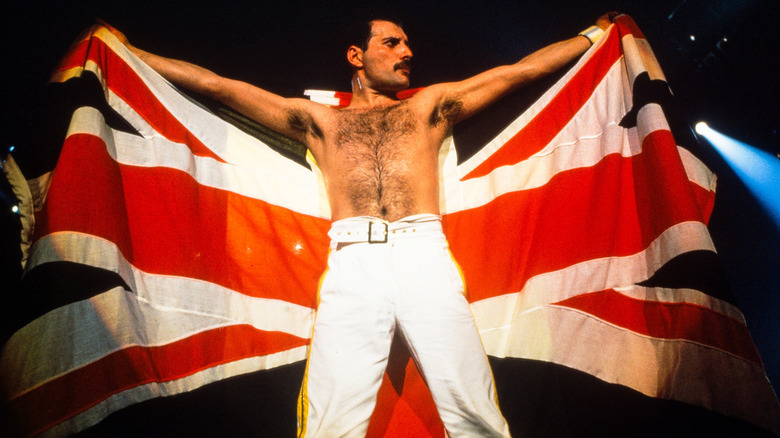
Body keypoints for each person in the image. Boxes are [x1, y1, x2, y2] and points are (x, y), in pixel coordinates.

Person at [105, 12, 615, 437]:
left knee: (472, 407)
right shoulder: (320, 122)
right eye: (392, 42)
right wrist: (132, 55)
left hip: (423, 253)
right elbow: (219, 86)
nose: (406, 51)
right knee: (333, 419)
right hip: (353, 261)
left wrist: (591, 38)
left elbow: (518, 72)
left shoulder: (429, 108)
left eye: (408, 43)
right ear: (357, 56)